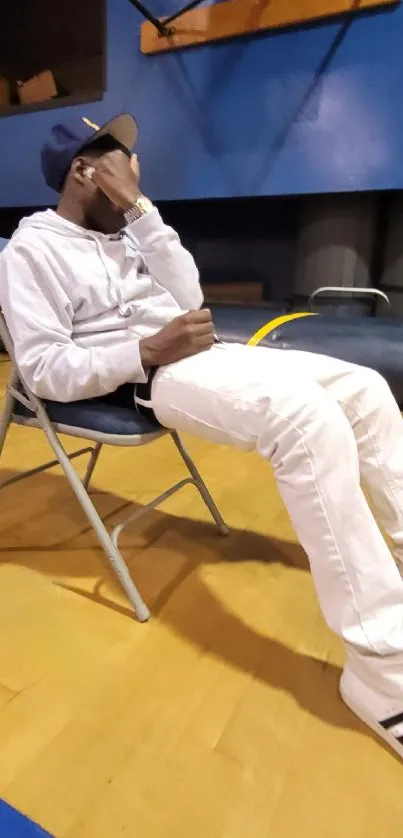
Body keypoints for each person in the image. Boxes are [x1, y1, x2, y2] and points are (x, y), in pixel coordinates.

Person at [1, 114, 403, 760]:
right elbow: (44, 369)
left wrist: (141, 212)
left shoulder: (127, 227)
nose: (133, 179)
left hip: (204, 350)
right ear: (83, 171)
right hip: (152, 376)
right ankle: (382, 670)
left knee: (365, 393)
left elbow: (187, 293)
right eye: (120, 169)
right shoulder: (30, 253)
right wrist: (145, 349)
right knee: (307, 421)